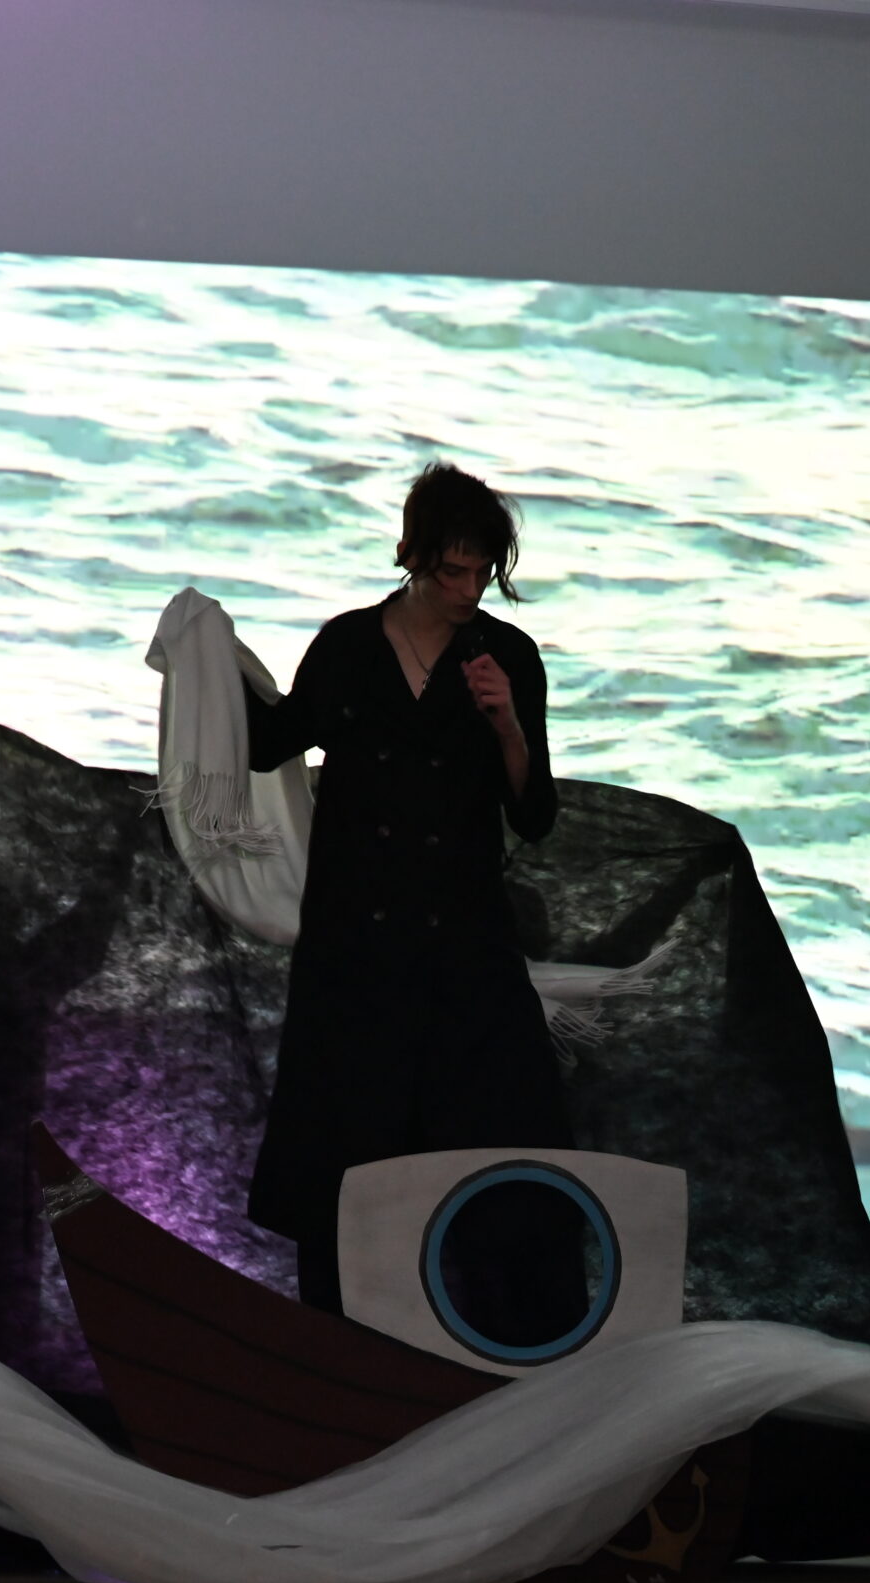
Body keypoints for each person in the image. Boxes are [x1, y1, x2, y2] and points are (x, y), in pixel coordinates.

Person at [242, 462, 577, 1326]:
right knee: (342, 1161)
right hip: (353, 949)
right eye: (452, 571)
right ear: (412, 555)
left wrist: (507, 726)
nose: (467, 591)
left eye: (481, 574)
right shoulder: (348, 647)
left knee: (512, 1148)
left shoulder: (507, 656)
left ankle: (521, 1347)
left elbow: (534, 813)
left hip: (465, 946)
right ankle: (337, 1350)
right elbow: (268, 741)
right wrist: (204, 658)